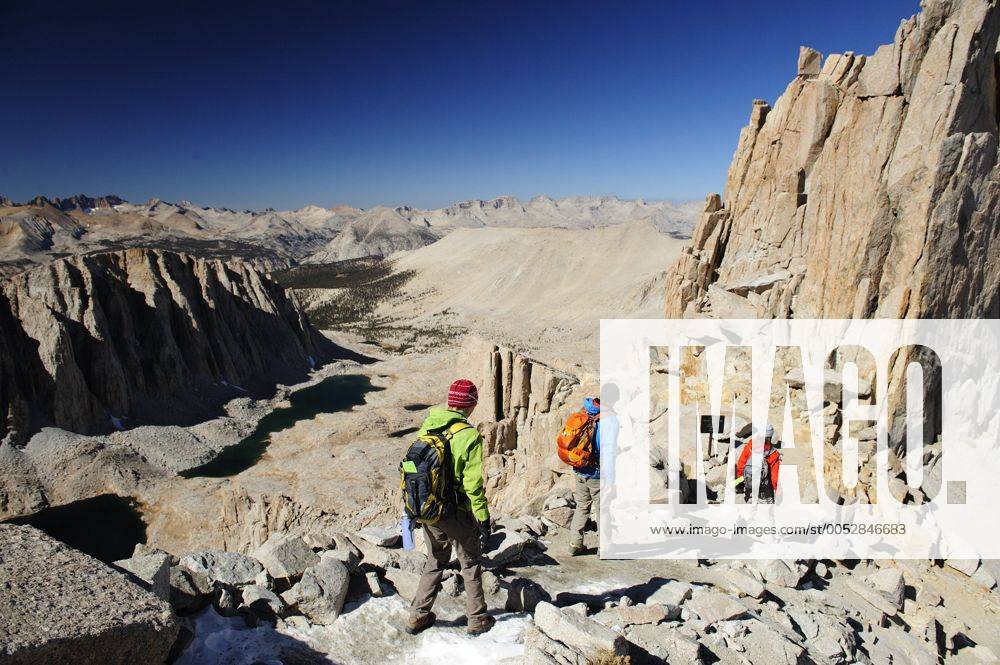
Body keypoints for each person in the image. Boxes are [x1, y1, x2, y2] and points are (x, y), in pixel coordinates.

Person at [406, 378, 495, 636]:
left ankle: (416, 616)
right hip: (456, 511)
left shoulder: (429, 426)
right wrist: (483, 517)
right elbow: (472, 485)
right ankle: (477, 619)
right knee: (470, 562)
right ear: (470, 405)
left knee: (435, 560)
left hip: (429, 508)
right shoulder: (469, 436)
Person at [567, 387, 619, 556]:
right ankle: (605, 547)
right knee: (602, 508)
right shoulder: (610, 420)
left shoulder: (586, 409)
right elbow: (608, 452)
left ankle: (574, 544)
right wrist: (610, 481)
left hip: (579, 467)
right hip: (596, 472)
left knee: (582, 506)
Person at [734, 423, 780, 503]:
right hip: (765, 490)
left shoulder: (750, 446)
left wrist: (739, 484)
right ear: (770, 436)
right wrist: (778, 492)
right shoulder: (773, 453)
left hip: (749, 486)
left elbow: (740, 466)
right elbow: (774, 478)